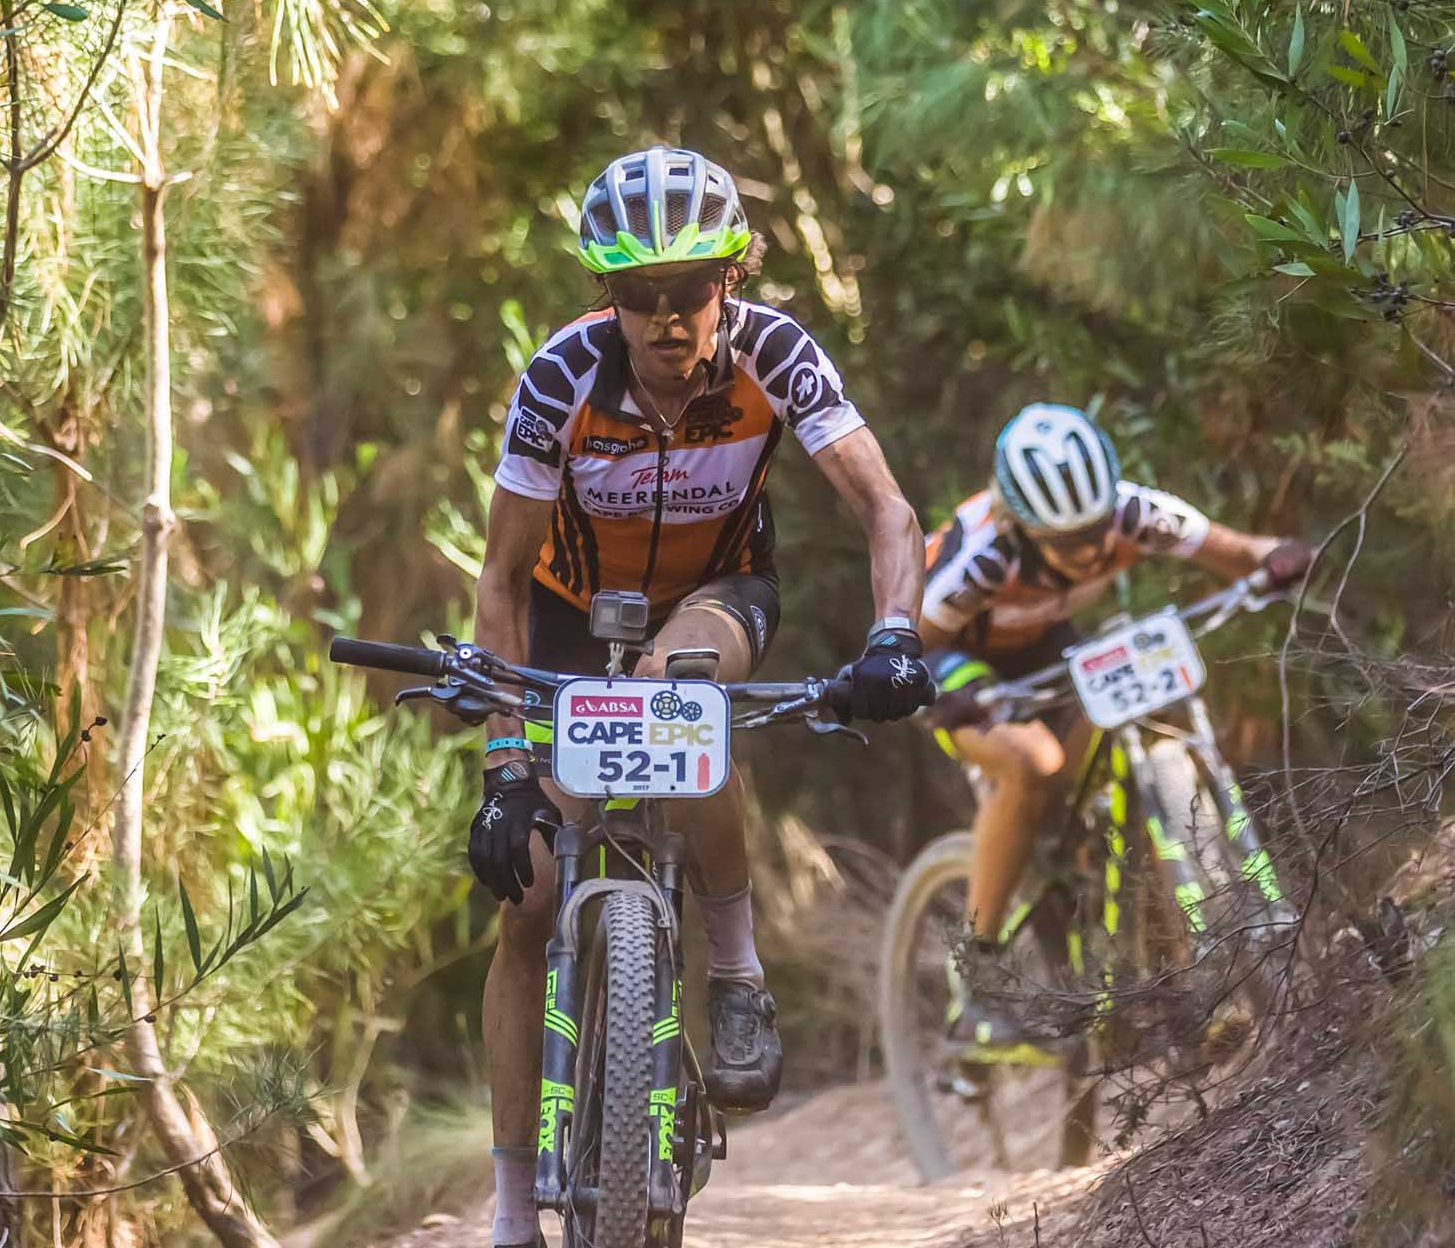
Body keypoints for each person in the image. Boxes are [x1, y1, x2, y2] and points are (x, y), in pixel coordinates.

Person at [472, 146, 934, 1248]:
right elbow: (498, 578)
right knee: (528, 899)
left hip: (718, 595)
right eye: (640, 293)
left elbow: (887, 511)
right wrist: (502, 768)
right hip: (567, 616)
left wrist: (895, 635)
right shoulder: (560, 380)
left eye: (690, 287)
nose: (667, 316)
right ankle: (509, 1204)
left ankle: (733, 970)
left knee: (672, 692)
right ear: (609, 295)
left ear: (730, 277)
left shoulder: (776, 354)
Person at [916, 402, 1312, 1059]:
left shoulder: (1134, 513)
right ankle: (978, 969)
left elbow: (1241, 552)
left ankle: (1167, 968)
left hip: (1051, 648)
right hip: (957, 664)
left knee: (1147, 732)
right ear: (1021, 524)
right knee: (1032, 766)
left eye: (1095, 529)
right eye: (1067, 541)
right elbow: (905, 647)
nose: (1091, 550)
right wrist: (949, 693)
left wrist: (1283, 558)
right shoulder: (982, 558)